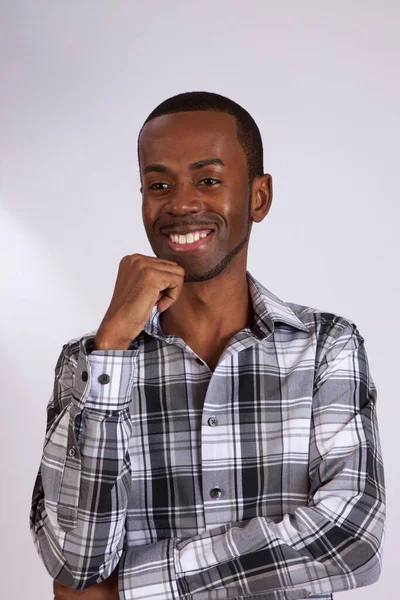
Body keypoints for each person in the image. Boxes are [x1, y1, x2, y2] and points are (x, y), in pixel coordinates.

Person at [30, 91, 386, 600]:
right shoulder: (87, 365)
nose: (180, 204)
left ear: (257, 198)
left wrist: (130, 589)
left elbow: (351, 542)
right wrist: (110, 349)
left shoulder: (328, 347)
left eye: (208, 180)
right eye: (158, 184)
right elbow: (75, 563)